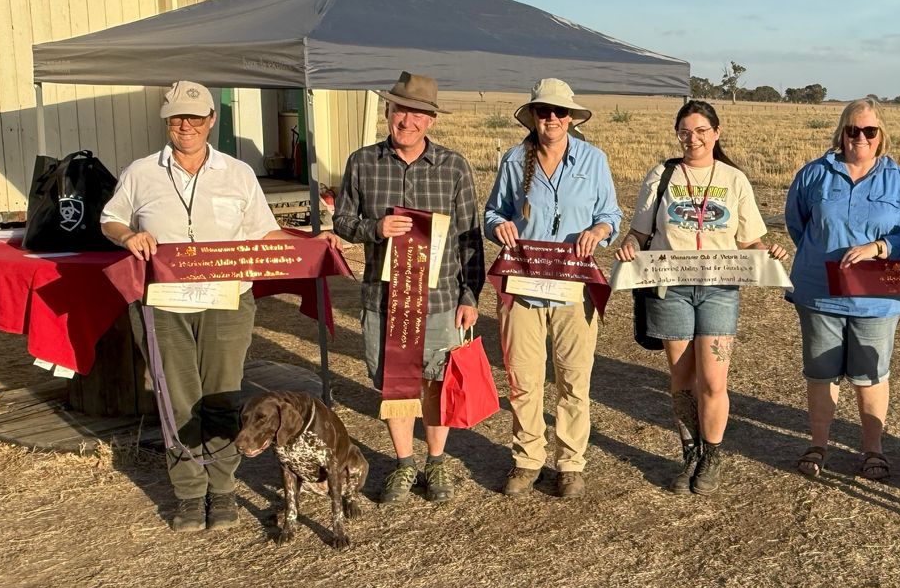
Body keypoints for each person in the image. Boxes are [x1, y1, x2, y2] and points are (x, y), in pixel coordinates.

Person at [101, 81, 298, 534]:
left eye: (194, 117)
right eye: (176, 117)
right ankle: (190, 493)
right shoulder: (140, 172)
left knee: (223, 396)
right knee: (177, 399)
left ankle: (222, 488)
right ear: (166, 121)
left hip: (226, 300)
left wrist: (310, 245)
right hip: (164, 303)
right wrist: (128, 235)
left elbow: (264, 232)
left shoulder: (238, 173)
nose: (185, 126)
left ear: (212, 120)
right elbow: (110, 219)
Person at [615, 99, 788, 496]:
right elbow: (640, 232)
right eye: (684, 132)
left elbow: (750, 241)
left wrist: (770, 252)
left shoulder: (734, 179)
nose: (692, 139)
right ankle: (689, 454)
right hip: (669, 288)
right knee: (682, 378)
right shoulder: (662, 174)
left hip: (719, 290)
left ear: (716, 133)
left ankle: (711, 456)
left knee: (713, 379)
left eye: (701, 131)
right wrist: (629, 244)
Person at [332, 71, 485, 507]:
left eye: (418, 114)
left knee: (436, 382)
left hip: (440, 300)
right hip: (384, 300)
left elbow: (470, 238)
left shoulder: (454, 167)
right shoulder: (362, 162)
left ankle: (435, 460)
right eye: (401, 110)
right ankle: (403, 463)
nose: (408, 121)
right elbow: (342, 221)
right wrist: (374, 228)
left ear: (431, 120)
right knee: (395, 385)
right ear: (388, 110)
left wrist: (470, 296)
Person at [483, 79, 621, 500]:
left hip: (573, 286)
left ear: (571, 118)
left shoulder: (594, 160)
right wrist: (498, 226)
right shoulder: (513, 160)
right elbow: (493, 212)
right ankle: (527, 459)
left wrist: (599, 231)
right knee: (523, 378)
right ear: (533, 117)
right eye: (544, 111)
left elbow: (611, 214)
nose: (553, 119)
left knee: (574, 380)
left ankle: (570, 463)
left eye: (560, 112)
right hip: (523, 284)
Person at [783, 98, 900, 482]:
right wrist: (825, 255)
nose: (860, 137)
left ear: (881, 135)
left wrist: (880, 247)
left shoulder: (899, 180)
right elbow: (798, 225)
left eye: (869, 130)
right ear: (841, 132)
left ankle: (872, 449)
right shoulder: (814, 174)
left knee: (872, 374)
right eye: (852, 129)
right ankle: (818, 444)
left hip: (877, 299)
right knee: (821, 373)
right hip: (820, 292)